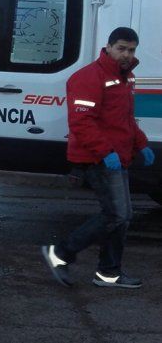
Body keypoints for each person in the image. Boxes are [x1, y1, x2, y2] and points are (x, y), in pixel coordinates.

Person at [42, 27, 154, 289]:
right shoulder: (88, 77)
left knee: (121, 217)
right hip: (97, 158)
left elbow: (125, 120)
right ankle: (60, 253)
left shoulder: (125, 78)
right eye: (121, 48)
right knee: (117, 215)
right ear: (109, 47)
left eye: (131, 50)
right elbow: (82, 122)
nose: (126, 54)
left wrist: (141, 144)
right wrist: (105, 152)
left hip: (119, 156)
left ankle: (108, 273)